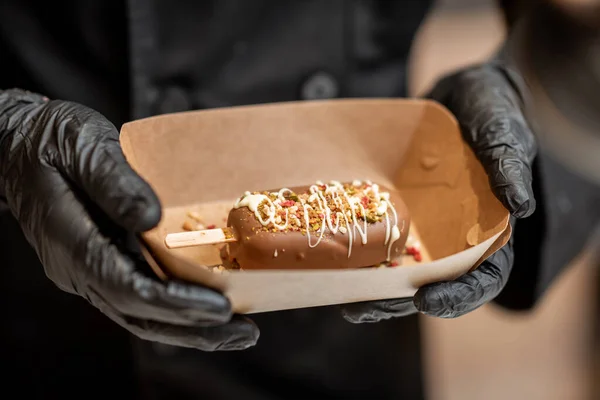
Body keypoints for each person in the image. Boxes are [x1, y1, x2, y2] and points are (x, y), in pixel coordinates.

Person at [0, 1, 598, 399]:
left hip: (345, 318)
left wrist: (524, 120)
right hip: (46, 257)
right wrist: (6, 132)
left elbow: (582, 34)